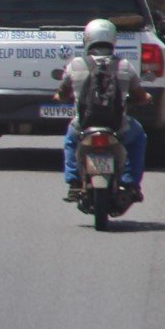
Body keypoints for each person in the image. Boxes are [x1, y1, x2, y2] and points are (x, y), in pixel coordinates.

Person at [56, 17, 149, 201]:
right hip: (118, 127)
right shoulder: (124, 66)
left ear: (87, 39)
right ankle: (130, 183)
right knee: (139, 137)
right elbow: (139, 95)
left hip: (83, 126)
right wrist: (147, 99)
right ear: (113, 41)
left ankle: (74, 182)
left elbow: (62, 91)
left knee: (70, 140)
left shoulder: (75, 65)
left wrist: (60, 97)